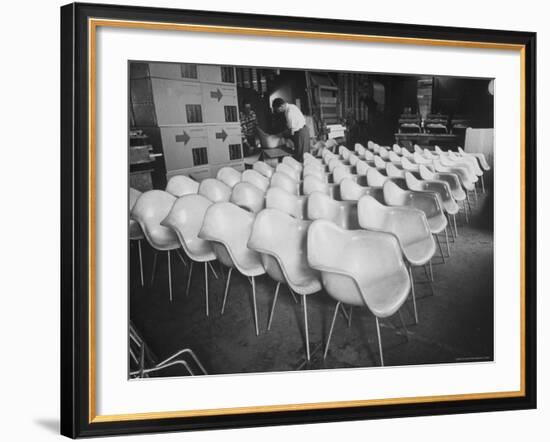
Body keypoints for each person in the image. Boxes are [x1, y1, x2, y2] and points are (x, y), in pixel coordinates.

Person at [272, 98, 310, 162]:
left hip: (301, 132)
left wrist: (281, 135)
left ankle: (304, 169)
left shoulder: (290, 112)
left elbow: (291, 129)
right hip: (300, 131)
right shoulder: (291, 107)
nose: (278, 111)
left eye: (278, 109)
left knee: (302, 155)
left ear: (281, 106)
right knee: (302, 154)